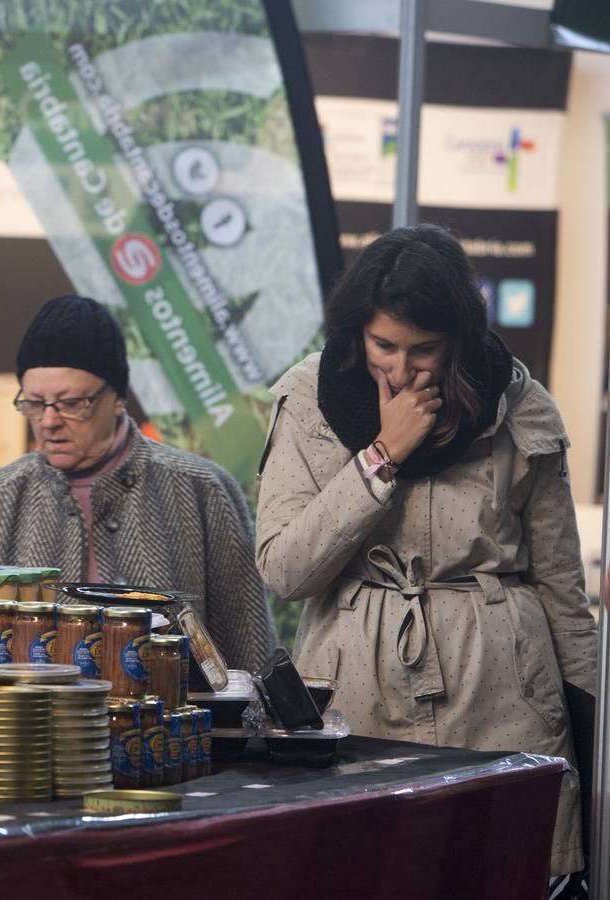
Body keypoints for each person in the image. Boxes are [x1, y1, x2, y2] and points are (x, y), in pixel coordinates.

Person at [255, 224, 596, 883]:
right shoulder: (305, 401)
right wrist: (379, 458)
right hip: (356, 691)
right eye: (384, 345)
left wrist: (589, 732)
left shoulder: (519, 407)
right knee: (363, 874)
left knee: (500, 871)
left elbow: (560, 588)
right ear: (357, 330)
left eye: (424, 350)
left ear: (458, 339)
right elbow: (285, 568)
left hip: (500, 695)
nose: (402, 368)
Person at [0, 295, 276, 671]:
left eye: (70, 403)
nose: (49, 421)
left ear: (117, 398)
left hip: (166, 726)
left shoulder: (202, 490)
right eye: (34, 403)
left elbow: (249, 653)